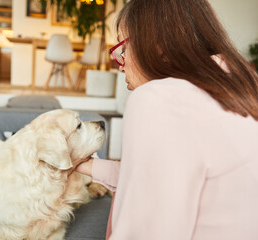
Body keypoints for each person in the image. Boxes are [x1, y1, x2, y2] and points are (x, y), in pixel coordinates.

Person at [75, 0, 258, 239]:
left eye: (123, 48)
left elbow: (144, 232)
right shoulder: (241, 82)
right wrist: (86, 166)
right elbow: (166, 181)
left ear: (156, 45)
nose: (120, 64)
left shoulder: (159, 99)